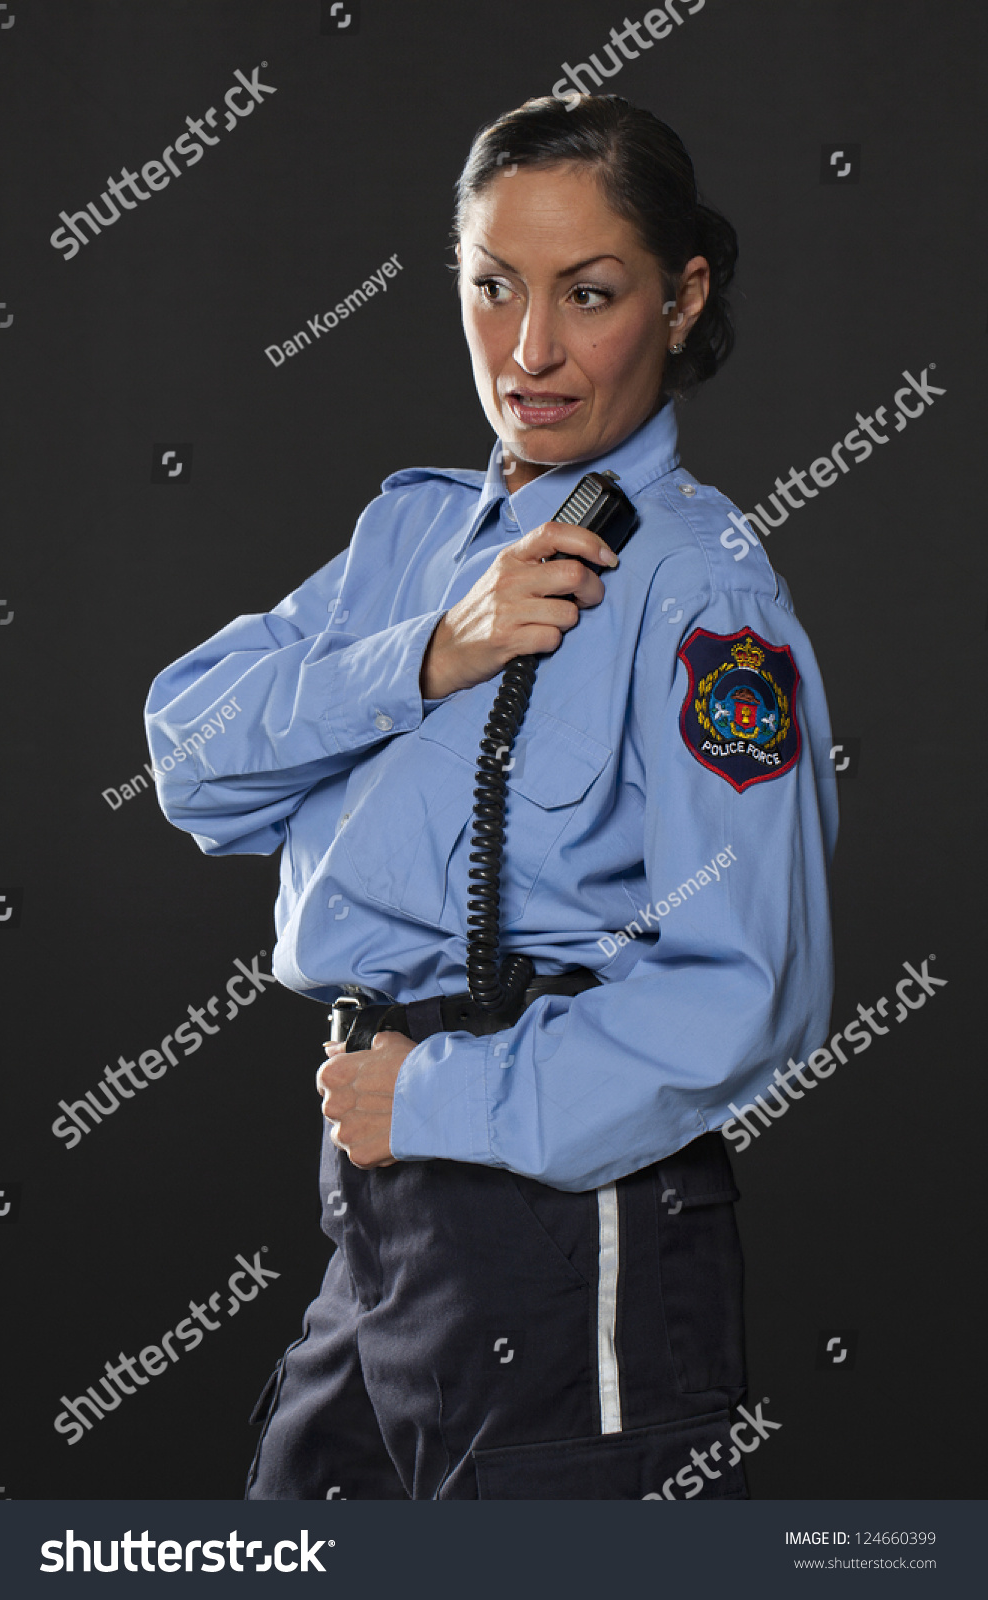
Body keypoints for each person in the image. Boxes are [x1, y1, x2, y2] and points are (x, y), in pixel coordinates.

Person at [145, 95, 837, 1501]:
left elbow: (748, 987)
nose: (529, 353)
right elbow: (190, 759)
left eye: (588, 295)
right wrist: (425, 655)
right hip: (378, 1209)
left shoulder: (698, 593)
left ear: (680, 293)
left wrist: (445, 1098)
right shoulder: (410, 542)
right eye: (491, 288)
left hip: (569, 1234)